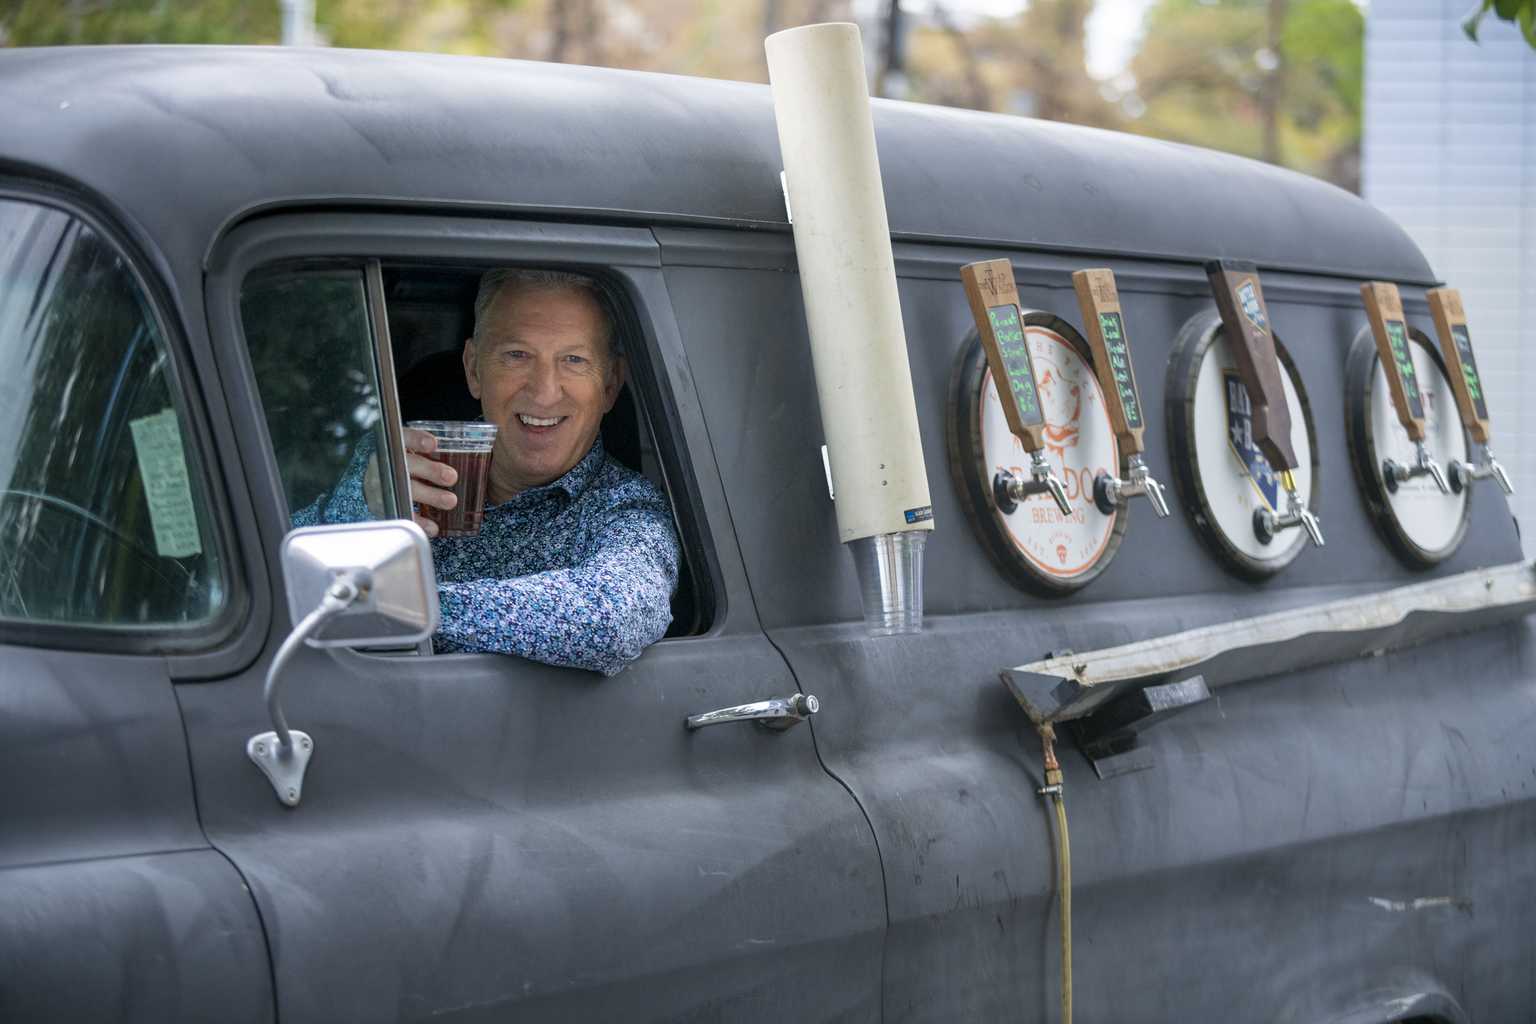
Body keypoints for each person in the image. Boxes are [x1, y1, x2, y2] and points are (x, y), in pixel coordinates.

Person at [294, 268, 679, 675]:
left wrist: (396, 608)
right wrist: (362, 508)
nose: (545, 391)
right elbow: (272, 575)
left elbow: (615, 618)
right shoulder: (395, 462)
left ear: (610, 386)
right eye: (517, 355)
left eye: (573, 360)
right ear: (474, 369)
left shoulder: (628, 507)